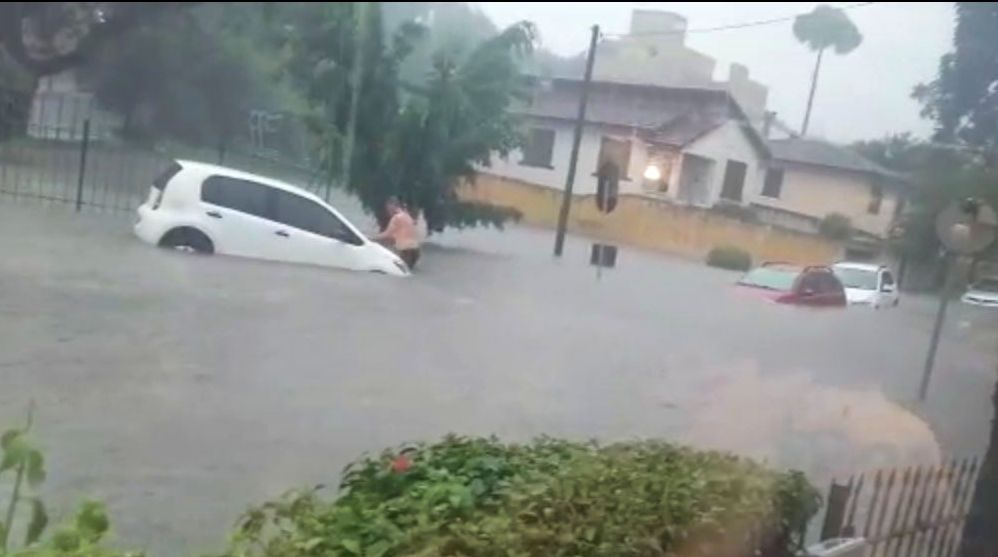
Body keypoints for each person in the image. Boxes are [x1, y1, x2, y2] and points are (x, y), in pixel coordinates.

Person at [374, 197, 421, 270]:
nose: (388, 211)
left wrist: (370, 238)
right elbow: (405, 234)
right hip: (416, 251)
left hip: (406, 252)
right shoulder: (407, 216)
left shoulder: (396, 218)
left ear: (393, 206)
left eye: (388, 208)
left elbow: (386, 234)